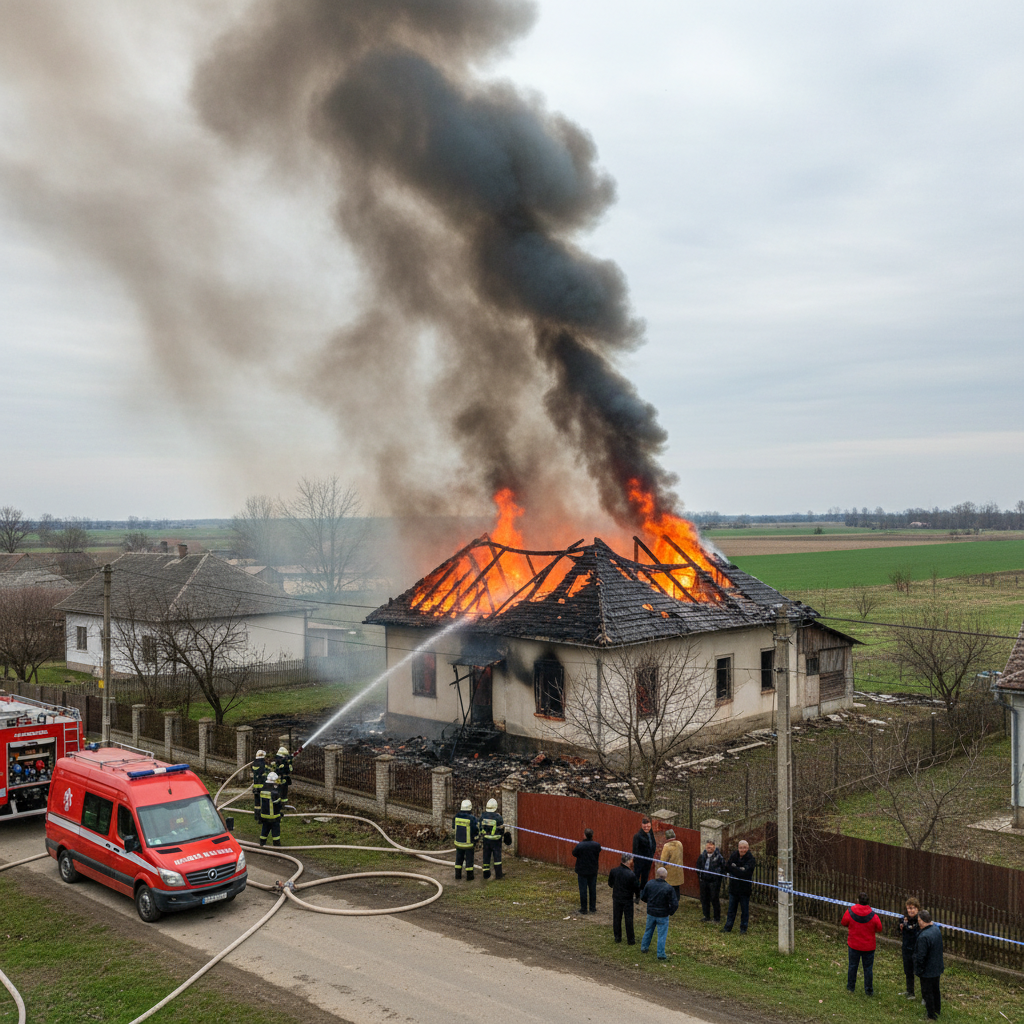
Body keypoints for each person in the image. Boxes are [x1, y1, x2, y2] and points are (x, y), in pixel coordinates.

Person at [841, 892, 883, 996]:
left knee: (852, 966)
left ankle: (850, 987)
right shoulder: (873, 915)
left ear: (858, 900)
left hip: (853, 945)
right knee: (868, 969)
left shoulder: (850, 911)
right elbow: (879, 928)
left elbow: (843, 922)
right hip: (869, 947)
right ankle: (868, 990)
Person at [640, 866, 679, 960]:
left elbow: (643, 896)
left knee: (648, 930)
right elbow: (675, 903)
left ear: (657, 874)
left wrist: (649, 904)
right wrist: (670, 912)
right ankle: (660, 954)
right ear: (666, 876)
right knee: (662, 934)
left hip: (651, 912)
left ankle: (644, 947)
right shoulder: (669, 888)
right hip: (663, 915)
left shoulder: (650, 884)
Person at [914, 910, 944, 1021]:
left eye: (919, 921)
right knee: (936, 989)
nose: (918, 923)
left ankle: (931, 1015)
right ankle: (937, 1009)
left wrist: (919, 970)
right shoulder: (936, 930)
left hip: (927, 970)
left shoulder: (924, 937)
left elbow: (921, 956)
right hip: (937, 967)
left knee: (927, 992)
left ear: (922, 921)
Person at [722, 839, 756, 933]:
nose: (742, 850)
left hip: (744, 889)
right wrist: (737, 869)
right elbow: (727, 867)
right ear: (738, 848)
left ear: (748, 848)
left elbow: (744, 873)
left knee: (744, 911)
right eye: (741, 848)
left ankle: (743, 929)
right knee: (731, 910)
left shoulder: (751, 859)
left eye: (744, 848)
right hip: (733, 888)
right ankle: (727, 927)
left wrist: (734, 868)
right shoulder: (734, 855)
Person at [608, 853, 640, 944]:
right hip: (627, 899)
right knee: (628, 919)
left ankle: (617, 937)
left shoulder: (614, 871)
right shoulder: (631, 874)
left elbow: (610, 884)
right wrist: (637, 897)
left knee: (617, 918)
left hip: (617, 898)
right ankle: (630, 939)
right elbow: (636, 888)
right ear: (629, 861)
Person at [571, 828, 602, 914]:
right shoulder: (596, 845)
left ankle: (584, 909)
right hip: (593, 870)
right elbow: (598, 851)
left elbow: (574, 853)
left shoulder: (580, 845)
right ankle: (593, 908)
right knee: (592, 889)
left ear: (584, 835)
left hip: (582, 871)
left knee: (583, 890)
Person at [897, 898, 922, 999]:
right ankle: (910, 991)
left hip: (917, 950)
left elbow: (916, 933)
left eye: (912, 908)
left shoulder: (920, 920)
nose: (910, 911)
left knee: (920, 972)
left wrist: (909, 928)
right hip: (906, 948)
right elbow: (899, 930)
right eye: (908, 908)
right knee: (908, 971)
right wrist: (901, 926)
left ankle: (925, 996)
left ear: (917, 909)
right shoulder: (904, 919)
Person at [696, 839, 725, 923]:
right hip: (704, 881)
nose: (709, 846)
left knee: (714, 899)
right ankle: (706, 916)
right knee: (704, 899)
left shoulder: (719, 857)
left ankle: (716, 918)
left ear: (714, 847)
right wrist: (701, 876)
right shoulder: (702, 856)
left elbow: (723, 869)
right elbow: (697, 867)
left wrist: (716, 878)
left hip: (714, 882)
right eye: (708, 845)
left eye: (711, 845)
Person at [452, 798, 479, 880]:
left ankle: (457, 875)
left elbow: (453, 827)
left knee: (458, 859)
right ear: (470, 808)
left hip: (458, 843)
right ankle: (469, 876)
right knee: (469, 860)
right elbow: (475, 830)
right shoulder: (472, 818)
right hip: (468, 844)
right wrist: (476, 838)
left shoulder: (456, 816)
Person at [479, 797, 504, 879]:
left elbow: (480, 827)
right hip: (496, 840)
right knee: (497, 857)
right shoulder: (498, 817)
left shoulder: (483, 816)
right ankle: (498, 875)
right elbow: (501, 829)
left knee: (486, 857)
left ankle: (486, 874)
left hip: (486, 839)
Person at [632, 816, 657, 900]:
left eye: (648, 826)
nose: (647, 828)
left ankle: (643, 893)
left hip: (648, 860)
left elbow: (653, 844)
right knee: (636, 877)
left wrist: (651, 855)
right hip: (639, 862)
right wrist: (637, 860)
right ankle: (636, 894)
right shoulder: (637, 836)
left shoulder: (651, 834)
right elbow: (635, 850)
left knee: (645, 878)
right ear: (642, 825)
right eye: (645, 826)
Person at [259, 771, 283, 847]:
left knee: (265, 829)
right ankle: (277, 845)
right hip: (273, 816)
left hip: (264, 815)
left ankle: (262, 843)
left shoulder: (263, 789)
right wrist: (280, 813)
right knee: (275, 831)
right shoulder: (274, 792)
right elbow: (278, 805)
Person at [661, 829, 685, 896]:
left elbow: (663, 860)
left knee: (669, 889)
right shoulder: (679, 844)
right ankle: (676, 901)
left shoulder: (667, 846)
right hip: (679, 870)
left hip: (670, 871)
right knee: (677, 888)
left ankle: (670, 903)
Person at [251, 749, 269, 823]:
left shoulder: (253, 763)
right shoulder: (264, 764)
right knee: (264, 802)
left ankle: (257, 816)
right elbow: (267, 772)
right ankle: (263, 817)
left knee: (257, 803)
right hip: (263, 786)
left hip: (256, 786)